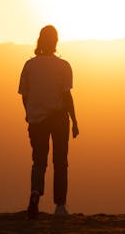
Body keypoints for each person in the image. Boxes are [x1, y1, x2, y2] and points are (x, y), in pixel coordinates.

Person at [18, 25, 79, 218]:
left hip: (36, 120)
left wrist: (29, 114)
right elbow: (67, 96)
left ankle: (35, 193)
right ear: (55, 42)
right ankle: (60, 206)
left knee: (39, 161)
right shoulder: (63, 66)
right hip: (59, 118)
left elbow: (24, 95)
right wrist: (75, 121)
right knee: (60, 162)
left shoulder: (29, 66)